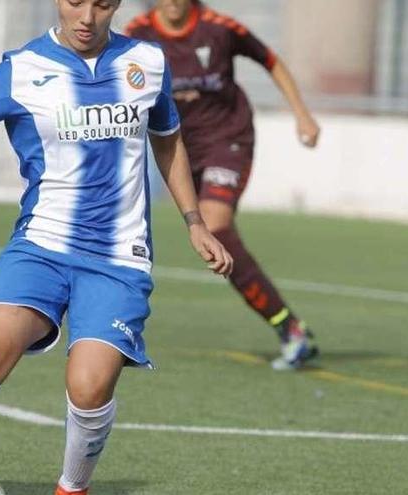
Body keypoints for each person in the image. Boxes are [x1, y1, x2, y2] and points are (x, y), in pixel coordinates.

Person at [0, 1, 232, 494]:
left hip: (117, 258)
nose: (86, 16)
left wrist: (195, 222)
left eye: (100, 4)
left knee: (89, 385)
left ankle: (71, 488)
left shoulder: (148, 61)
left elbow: (167, 140)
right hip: (40, 245)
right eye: (74, 2)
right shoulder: (19, 68)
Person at [125, 0, 321, 370]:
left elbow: (271, 61)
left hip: (228, 138)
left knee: (214, 226)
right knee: (207, 236)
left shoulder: (219, 28)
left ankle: (289, 330)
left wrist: (303, 115)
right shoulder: (138, 35)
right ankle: (288, 325)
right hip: (179, 148)